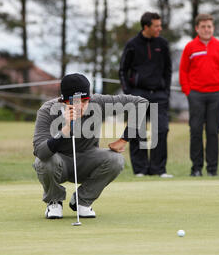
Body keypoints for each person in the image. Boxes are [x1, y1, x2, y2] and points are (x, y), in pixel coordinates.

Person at [33, 73, 149, 219]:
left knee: (116, 160)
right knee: (44, 161)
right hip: (59, 163)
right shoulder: (47, 110)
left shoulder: (98, 102)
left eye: (84, 100)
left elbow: (140, 102)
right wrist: (65, 129)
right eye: (74, 101)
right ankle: (54, 202)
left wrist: (124, 139)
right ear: (63, 100)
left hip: (87, 160)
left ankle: (82, 201)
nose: (80, 105)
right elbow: (40, 151)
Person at [119, 11, 173, 178]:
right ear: (146, 27)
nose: (160, 28)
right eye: (156, 26)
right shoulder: (132, 44)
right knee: (137, 131)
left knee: (161, 130)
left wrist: (166, 92)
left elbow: (168, 70)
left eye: (160, 25)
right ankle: (140, 170)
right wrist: (129, 93)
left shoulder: (162, 44)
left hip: (159, 94)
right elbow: (122, 70)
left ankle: (158, 169)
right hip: (138, 94)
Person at [179, 13, 219, 177]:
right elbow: (183, 70)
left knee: (212, 131)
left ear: (213, 28)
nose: (206, 29)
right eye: (203, 26)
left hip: (216, 94)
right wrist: (188, 91)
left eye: (209, 26)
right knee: (195, 130)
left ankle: (212, 169)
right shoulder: (190, 47)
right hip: (195, 94)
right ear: (197, 28)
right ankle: (196, 168)